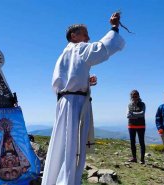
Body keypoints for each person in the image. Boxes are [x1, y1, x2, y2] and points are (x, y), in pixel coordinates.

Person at [42, 12, 125, 185]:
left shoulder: (64, 55)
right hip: (74, 106)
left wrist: (85, 81)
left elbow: (65, 82)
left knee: (62, 147)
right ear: (74, 36)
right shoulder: (77, 48)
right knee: (71, 148)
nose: (88, 38)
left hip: (66, 103)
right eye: (84, 34)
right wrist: (114, 28)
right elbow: (101, 49)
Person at [127, 90, 146, 164]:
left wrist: (133, 114)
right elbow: (128, 116)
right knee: (132, 142)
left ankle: (142, 159)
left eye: (136, 95)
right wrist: (137, 115)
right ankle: (134, 158)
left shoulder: (142, 104)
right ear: (131, 96)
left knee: (141, 142)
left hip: (141, 125)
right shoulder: (129, 105)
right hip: (131, 126)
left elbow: (142, 114)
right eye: (133, 95)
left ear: (138, 96)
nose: (134, 97)